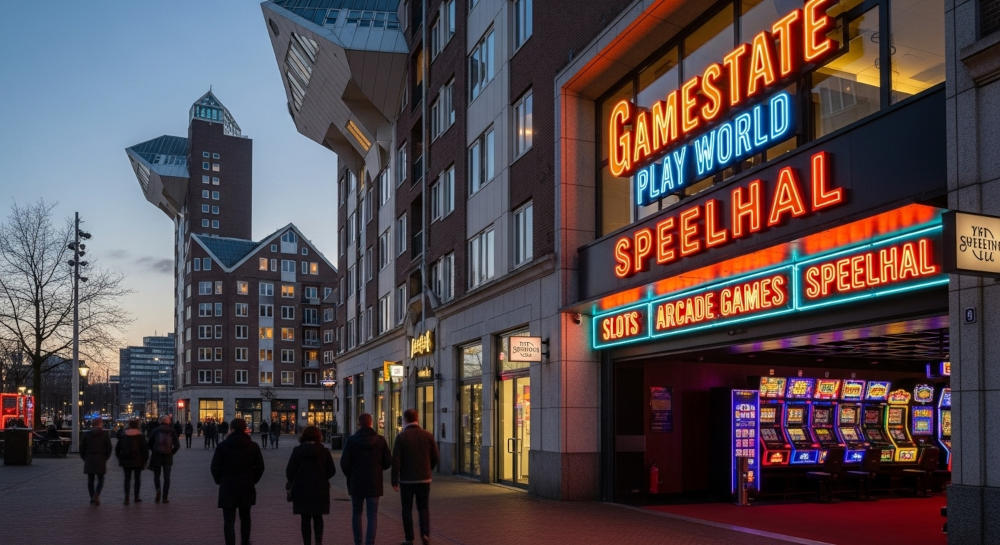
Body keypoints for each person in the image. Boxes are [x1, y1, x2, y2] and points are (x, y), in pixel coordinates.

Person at [211, 418, 264, 545]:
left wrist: (220, 480)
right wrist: (253, 480)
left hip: (228, 487)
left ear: (231, 429)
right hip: (246, 486)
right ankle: (245, 541)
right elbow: (260, 467)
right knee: (245, 518)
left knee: (229, 520)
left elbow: (214, 467)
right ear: (245, 428)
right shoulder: (253, 446)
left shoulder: (223, 446)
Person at [341, 414, 391, 545]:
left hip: (356, 482)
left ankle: (358, 542)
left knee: (356, 513)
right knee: (372, 515)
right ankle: (370, 542)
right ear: (371, 423)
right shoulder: (380, 440)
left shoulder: (351, 441)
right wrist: (378, 469)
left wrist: (350, 475)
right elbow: (387, 462)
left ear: (359, 423)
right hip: (374, 483)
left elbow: (344, 463)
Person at [391, 409, 439, 545]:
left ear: (405, 420)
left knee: (406, 509)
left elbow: (396, 460)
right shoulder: (428, 435)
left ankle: (409, 538)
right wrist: (429, 469)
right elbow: (435, 456)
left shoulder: (401, 437)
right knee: (423, 507)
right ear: (417, 419)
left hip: (406, 480)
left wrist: (394, 480)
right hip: (424, 479)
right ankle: (425, 534)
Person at [286, 426, 336, 545]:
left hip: (302, 489)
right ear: (319, 436)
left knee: (305, 519)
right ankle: (319, 542)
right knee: (318, 518)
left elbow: (289, 471)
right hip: (320, 489)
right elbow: (332, 470)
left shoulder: (297, 451)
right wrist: (323, 477)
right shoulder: (324, 451)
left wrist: (294, 480)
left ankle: (307, 542)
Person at [79, 417, 112, 506]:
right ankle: (96, 495)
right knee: (101, 479)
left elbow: (82, 448)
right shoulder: (104, 435)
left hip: (89, 458)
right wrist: (105, 458)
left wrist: (85, 458)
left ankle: (92, 497)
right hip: (100, 458)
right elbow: (109, 448)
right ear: (100, 424)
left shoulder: (87, 435)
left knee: (90, 480)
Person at [148, 415, 180, 503]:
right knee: (167, 477)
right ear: (168, 422)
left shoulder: (155, 430)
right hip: (168, 456)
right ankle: (165, 497)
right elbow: (177, 446)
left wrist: (154, 450)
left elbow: (149, 443)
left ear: (160, 421)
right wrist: (171, 453)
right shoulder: (172, 431)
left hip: (157, 456)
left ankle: (158, 490)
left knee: (156, 476)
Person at [115, 419, 149, 504]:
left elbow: (117, 449)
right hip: (138, 461)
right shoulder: (140, 436)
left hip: (126, 461)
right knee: (137, 479)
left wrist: (120, 458)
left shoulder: (124, 436)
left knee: (127, 479)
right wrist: (144, 460)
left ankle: (126, 497)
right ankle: (136, 497)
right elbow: (145, 450)